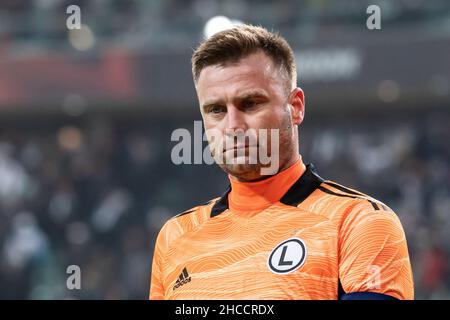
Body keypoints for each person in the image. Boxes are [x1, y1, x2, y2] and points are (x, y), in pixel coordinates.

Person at [149, 25, 414, 300]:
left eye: (250, 104)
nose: (233, 126)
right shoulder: (175, 236)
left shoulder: (358, 222)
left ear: (296, 106)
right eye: (216, 110)